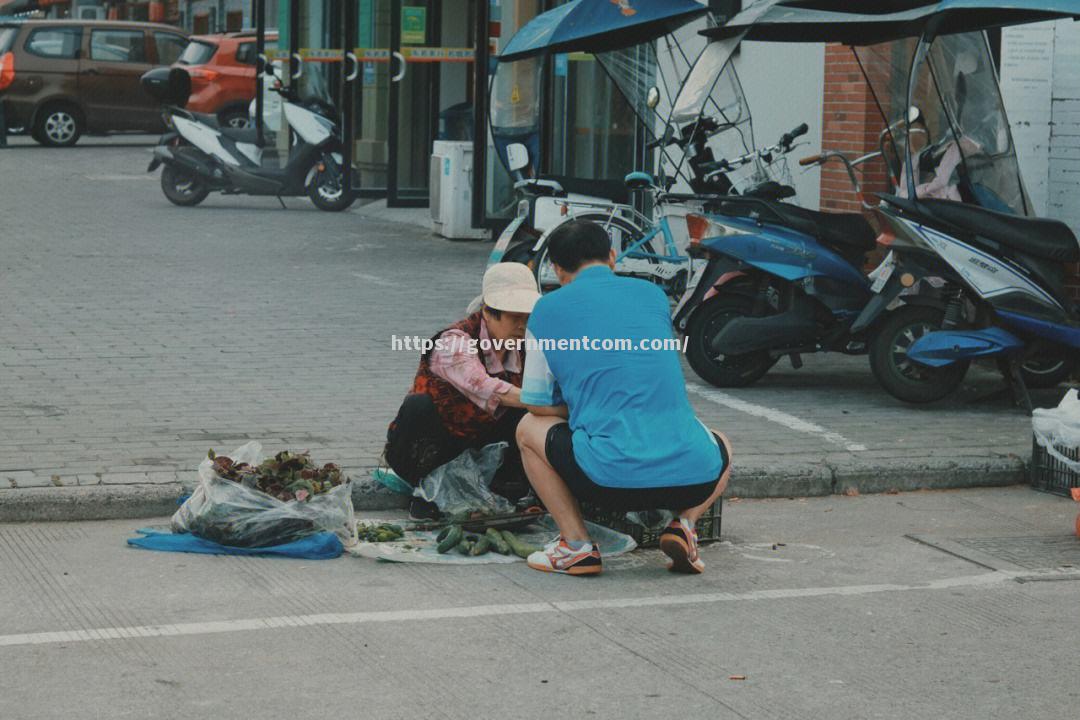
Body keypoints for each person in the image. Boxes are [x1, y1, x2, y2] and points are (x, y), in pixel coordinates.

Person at [516, 219, 731, 576]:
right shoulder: (653, 296)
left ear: (556, 268)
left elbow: (536, 402)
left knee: (527, 428)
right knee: (721, 442)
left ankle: (576, 546)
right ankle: (685, 526)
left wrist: (579, 406)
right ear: (613, 256)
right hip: (694, 477)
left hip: (606, 478)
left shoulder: (546, 309)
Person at [385, 263, 540, 519]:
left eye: (528, 318)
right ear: (489, 313)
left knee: (526, 414)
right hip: (433, 448)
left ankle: (506, 487)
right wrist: (547, 402)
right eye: (515, 318)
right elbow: (486, 387)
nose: (523, 326)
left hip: (479, 446)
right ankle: (425, 488)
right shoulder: (455, 342)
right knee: (420, 406)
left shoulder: (524, 345)